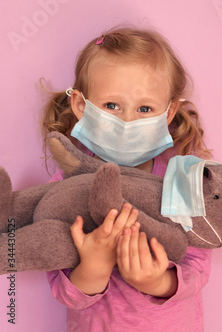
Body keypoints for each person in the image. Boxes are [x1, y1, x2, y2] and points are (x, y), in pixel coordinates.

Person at [41, 25, 213, 332]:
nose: (127, 121)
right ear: (81, 106)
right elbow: (62, 290)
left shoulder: (182, 179)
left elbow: (198, 267)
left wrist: (157, 281)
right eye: (111, 106)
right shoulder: (68, 186)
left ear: (169, 111)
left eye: (145, 108)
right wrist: (93, 267)